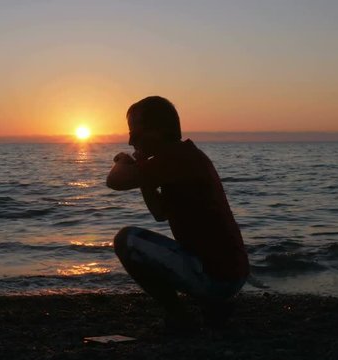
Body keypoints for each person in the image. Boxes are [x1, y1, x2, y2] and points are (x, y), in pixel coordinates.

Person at [106, 96, 249, 332]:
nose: (131, 140)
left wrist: (123, 161)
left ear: (159, 131)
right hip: (228, 273)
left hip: (218, 277)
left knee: (125, 240)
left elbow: (114, 181)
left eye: (136, 132)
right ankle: (212, 306)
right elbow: (159, 213)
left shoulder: (177, 158)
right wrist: (144, 174)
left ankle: (181, 317)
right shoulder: (182, 157)